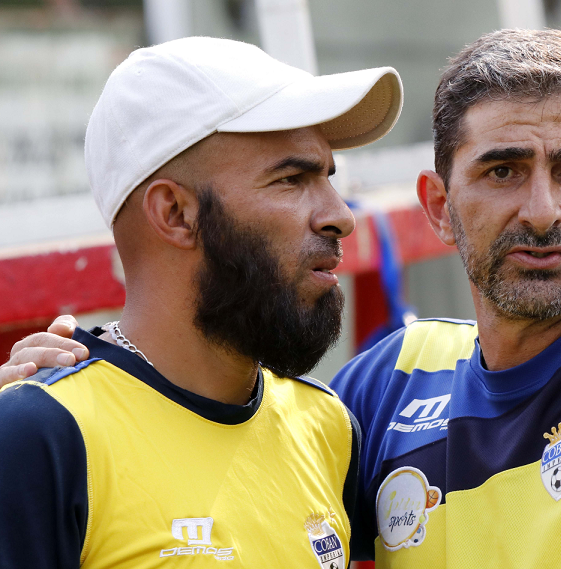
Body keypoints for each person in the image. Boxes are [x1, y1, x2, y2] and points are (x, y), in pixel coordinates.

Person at [3, 29, 561, 568]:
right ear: (438, 205)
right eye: (503, 169)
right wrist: (66, 400)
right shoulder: (379, 392)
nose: (543, 208)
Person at [0, 36, 403, 568]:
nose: (340, 215)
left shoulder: (327, 424)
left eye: (328, 176)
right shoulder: (41, 437)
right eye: (291, 178)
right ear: (175, 213)